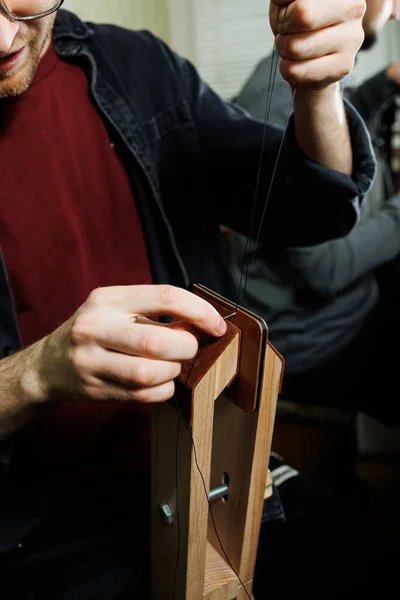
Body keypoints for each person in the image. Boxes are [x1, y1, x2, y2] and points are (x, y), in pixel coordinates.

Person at [0, 0, 374, 597]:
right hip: (37, 529)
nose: (1, 36)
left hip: (212, 471)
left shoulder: (136, 63)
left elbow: (315, 205)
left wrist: (319, 91)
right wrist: (37, 373)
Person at [230, 0, 400, 427]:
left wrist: (385, 83)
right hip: (310, 342)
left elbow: (330, 123)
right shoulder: (273, 101)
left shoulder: (313, 74)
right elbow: (323, 268)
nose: (395, 12)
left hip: (343, 309)